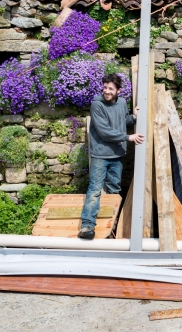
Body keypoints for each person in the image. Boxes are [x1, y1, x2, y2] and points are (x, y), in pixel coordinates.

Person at [78, 73, 144, 239]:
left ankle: (111, 227)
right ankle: (87, 226)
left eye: (111, 89)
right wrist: (128, 137)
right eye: (105, 87)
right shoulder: (97, 105)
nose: (107, 91)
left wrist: (134, 117)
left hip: (117, 156)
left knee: (114, 191)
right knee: (94, 190)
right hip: (100, 154)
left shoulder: (121, 103)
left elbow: (122, 122)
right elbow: (104, 132)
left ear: (118, 91)